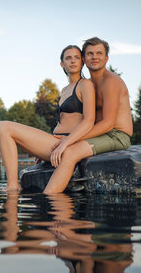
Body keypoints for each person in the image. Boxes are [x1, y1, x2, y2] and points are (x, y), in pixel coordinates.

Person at [0, 45, 96, 192]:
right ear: (62, 64)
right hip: (55, 141)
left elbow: (88, 121)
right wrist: (41, 147)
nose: (72, 61)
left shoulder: (85, 85)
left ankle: (12, 186)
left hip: (67, 143)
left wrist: (65, 143)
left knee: (3, 127)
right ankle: (12, 184)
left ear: (82, 62)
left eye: (76, 57)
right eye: (68, 58)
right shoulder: (65, 89)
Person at [43, 37, 133, 194]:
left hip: (117, 135)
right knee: (61, 147)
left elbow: (108, 124)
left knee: (70, 152)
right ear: (84, 58)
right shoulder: (88, 84)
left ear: (106, 58)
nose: (95, 57)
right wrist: (63, 139)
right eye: (90, 53)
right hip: (99, 134)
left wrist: (69, 140)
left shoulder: (111, 81)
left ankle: (49, 199)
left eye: (99, 53)